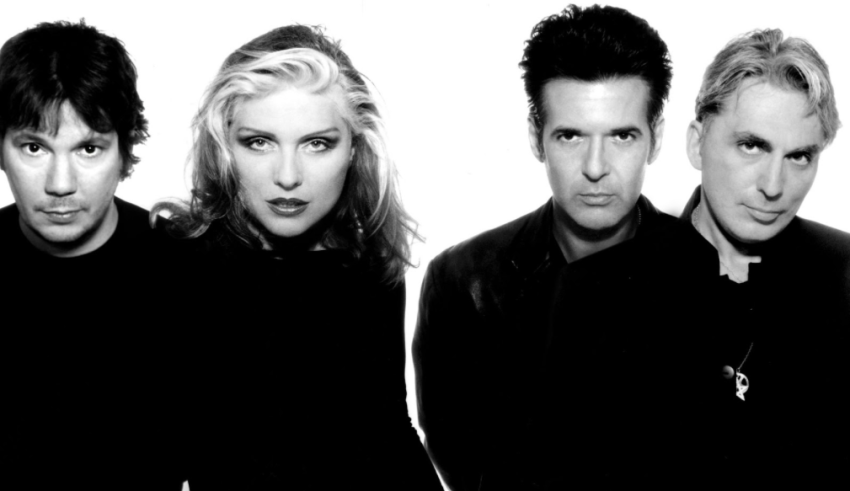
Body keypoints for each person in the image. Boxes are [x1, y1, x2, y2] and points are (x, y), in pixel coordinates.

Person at [543, 28, 850, 486]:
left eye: (800, 157)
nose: (773, 186)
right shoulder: (595, 292)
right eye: (751, 145)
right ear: (696, 143)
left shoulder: (843, 275)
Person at [153, 24, 442, 490]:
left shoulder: (367, 264)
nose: (288, 176)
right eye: (259, 141)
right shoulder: (175, 261)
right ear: (224, 145)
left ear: (354, 149)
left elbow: (388, 431)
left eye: (317, 143)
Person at [412, 5, 674, 490]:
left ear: (655, 140)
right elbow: (461, 462)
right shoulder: (462, 281)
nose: (595, 167)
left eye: (622, 136)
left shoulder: (707, 274)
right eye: (570, 135)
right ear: (537, 138)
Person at [0, 20, 185, 490]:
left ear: (124, 152)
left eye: (88, 148)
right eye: (34, 147)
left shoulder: (190, 272)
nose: (60, 184)